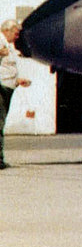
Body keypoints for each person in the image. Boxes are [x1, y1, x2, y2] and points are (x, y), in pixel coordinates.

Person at [0, 19, 31, 170]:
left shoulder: (8, 45)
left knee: (1, 123)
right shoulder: (0, 41)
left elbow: (6, 69)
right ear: (7, 30)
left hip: (7, 86)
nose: (17, 36)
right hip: (1, 88)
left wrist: (18, 80)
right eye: (15, 33)